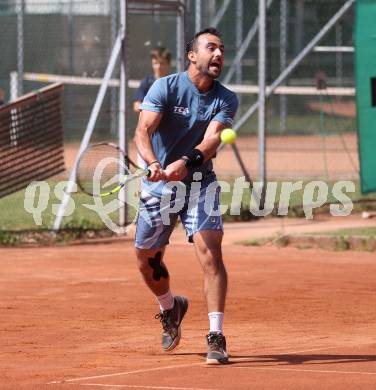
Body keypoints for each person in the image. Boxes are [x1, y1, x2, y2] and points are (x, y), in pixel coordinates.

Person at [133, 28, 238, 365]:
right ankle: (170, 307)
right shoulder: (165, 87)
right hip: (158, 187)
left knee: (211, 254)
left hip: (199, 184)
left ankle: (216, 335)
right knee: (147, 261)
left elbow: (212, 141)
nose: (219, 54)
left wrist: (185, 162)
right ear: (193, 55)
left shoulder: (225, 97)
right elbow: (143, 130)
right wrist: (153, 163)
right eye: (211, 48)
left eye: (222, 48)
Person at [133, 47, 171, 112]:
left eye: (162, 63)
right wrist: (153, 109)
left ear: (168, 64)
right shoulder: (146, 82)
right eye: (155, 63)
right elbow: (136, 105)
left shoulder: (175, 82)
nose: (158, 67)